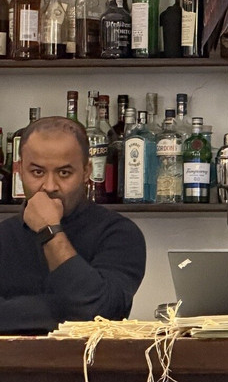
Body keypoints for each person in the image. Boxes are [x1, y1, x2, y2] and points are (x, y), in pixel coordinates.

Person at [0, 115, 146, 334]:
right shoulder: (3, 236)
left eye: (64, 173)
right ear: (20, 170)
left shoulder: (119, 234)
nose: (49, 186)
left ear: (86, 171)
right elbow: (88, 315)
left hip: (90, 358)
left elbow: (102, 313)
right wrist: (69, 311)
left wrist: (49, 230)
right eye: (37, 172)